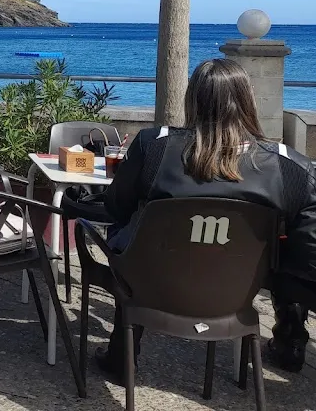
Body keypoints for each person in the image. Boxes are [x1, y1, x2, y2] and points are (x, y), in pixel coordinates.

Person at [97, 58, 316, 378]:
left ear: (192, 99)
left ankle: (123, 353)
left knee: (127, 234)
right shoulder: (289, 168)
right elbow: (310, 251)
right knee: (286, 246)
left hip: (153, 282)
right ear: (248, 100)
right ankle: (289, 339)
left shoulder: (152, 147)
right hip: (236, 290)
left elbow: (115, 207)